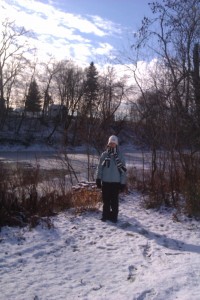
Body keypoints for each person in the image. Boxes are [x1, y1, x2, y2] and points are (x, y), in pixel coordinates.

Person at [96, 135, 127, 223]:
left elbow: (123, 170)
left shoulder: (120, 155)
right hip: (105, 182)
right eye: (110, 143)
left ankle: (114, 217)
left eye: (113, 143)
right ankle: (105, 216)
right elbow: (99, 168)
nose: (112, 144)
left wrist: (122, 182)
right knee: (106, 201)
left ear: (116, 144)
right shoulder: (104, 155)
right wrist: (98, 179)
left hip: (116, 183)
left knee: (114, 201)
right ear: (108, 144)